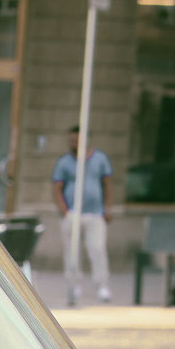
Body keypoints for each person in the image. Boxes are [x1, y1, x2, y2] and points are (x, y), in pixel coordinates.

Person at [52, 125, 114, 305]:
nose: (73, 143)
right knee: (71, 252)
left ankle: (102, 285)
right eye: (71, 140)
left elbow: (108, 183)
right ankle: (74, 285)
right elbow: (56, 187)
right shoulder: (64, 161)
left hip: (95, 214)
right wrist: (64, 211)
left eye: (76, 139)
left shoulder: (100, 159)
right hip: (72, 213)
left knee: (97, 249)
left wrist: (108, 207)